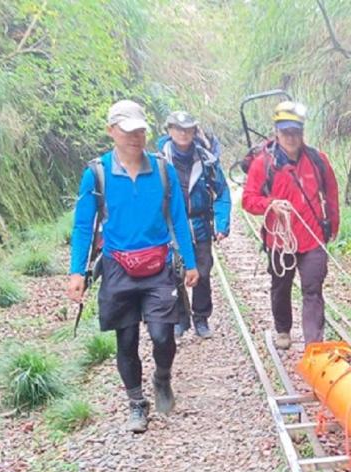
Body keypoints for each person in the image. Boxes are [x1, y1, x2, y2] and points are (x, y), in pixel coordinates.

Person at [67, 99, 198, 433]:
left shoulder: (163, 170)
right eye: (127, 131)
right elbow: (83, 225)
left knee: (163, 336)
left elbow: (179, 219)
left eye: (140, 130)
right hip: (117, 268)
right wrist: (77, 272)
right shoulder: (96, 174)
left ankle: (162, 378)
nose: (135, 137)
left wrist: (191, 262)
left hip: (159, 265)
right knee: (125, 342)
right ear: (112, 131)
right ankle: (137, 404)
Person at [241, 101, 340, 350]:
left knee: (313, 289)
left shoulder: (318, 160)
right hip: (280, 239)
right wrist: (270, 204)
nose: (291, 137)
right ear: (276, 132)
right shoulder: (262, 164)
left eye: (295, 131)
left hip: (312, 237)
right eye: (286, 132)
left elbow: (331, 193)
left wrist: (333, 224)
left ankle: (313, 344)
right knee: (281, 286)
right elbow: (248, 200)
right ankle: (283, 329)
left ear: (302, 132)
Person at [158, 110, 232, 339]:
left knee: (202, 271)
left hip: (199, 223)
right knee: (172, 271)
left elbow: (222, 192)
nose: (183, 133)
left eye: (187, 129)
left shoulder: (206, 161)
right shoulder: (158, 162)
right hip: (168, 227)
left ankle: (201, 317)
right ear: (169, 131)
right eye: (178, 129)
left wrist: (221, 224)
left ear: (194, 131)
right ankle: (180, 317)